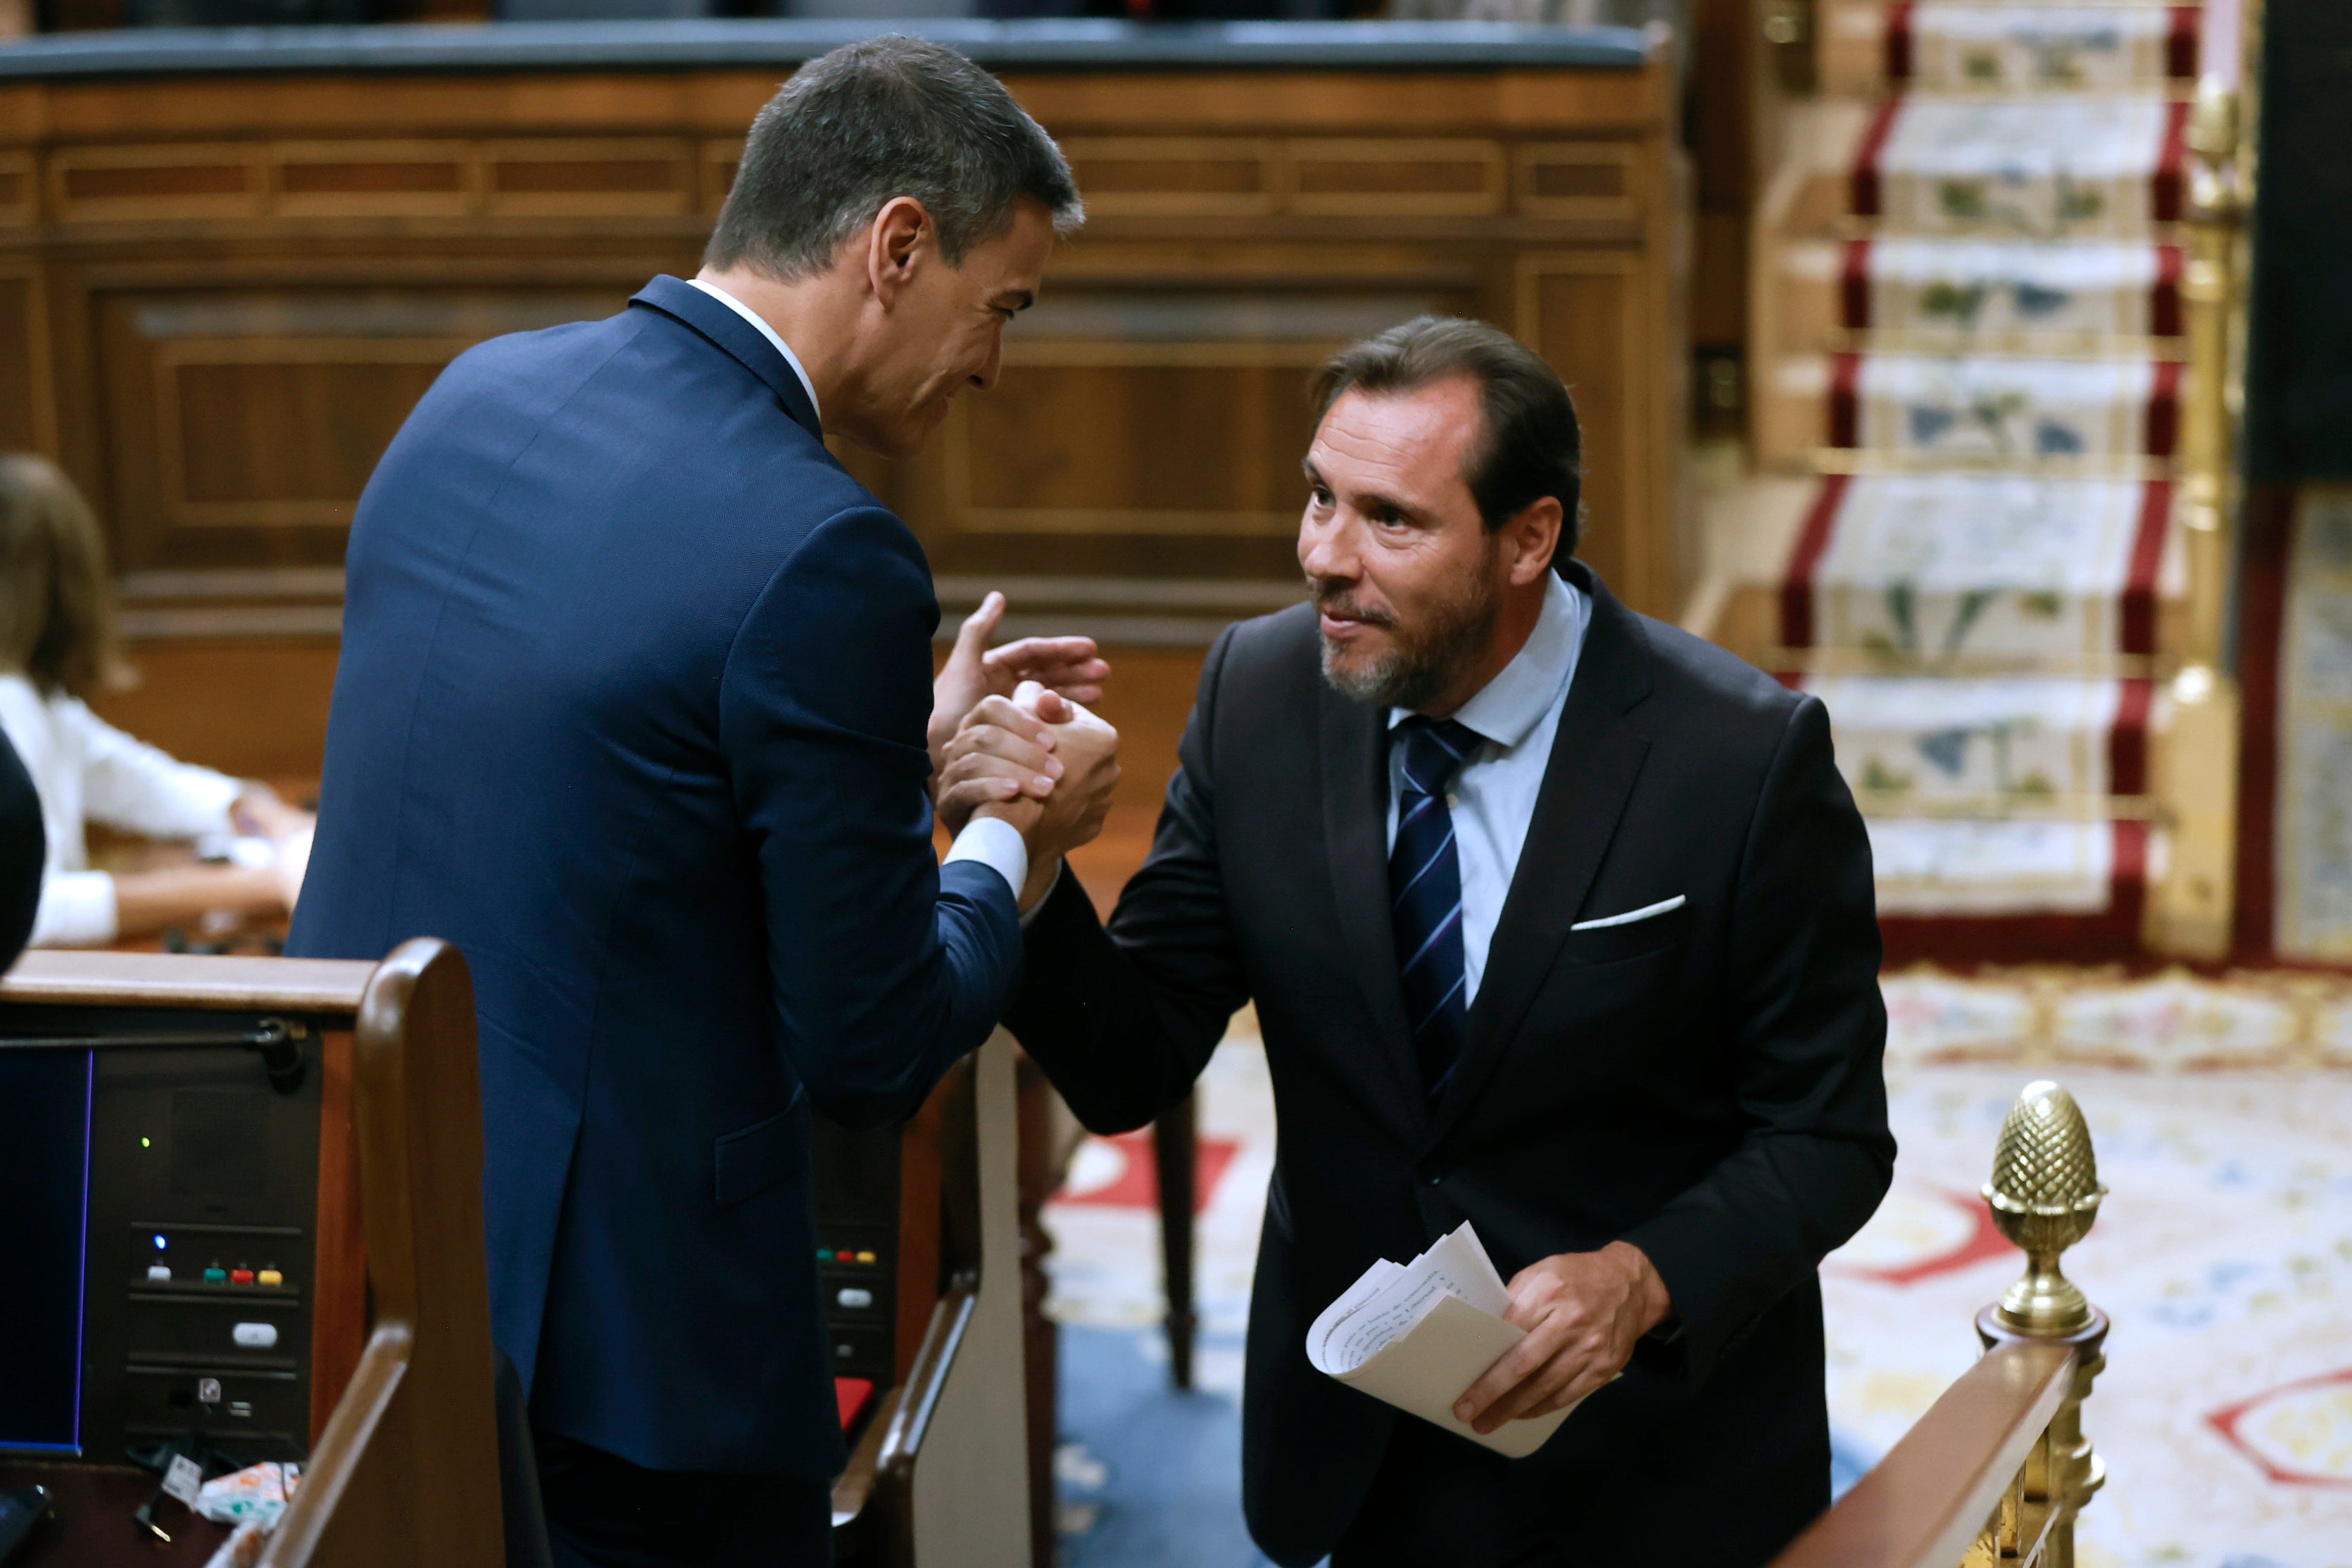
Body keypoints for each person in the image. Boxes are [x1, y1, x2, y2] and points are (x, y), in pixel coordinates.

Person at [287, 37, 1120, 1568]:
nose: (995, 364)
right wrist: (1010, 832)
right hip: (633, 1359)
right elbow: (869, 1041)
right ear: (895, 246)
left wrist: (887, 744)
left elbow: (606, 779)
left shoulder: (474, 394)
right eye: (1000, 308)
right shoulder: (825, 551)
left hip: (375, 1259)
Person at [944, 317, 1894, 1567]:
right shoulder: (1259, 695)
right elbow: (1131, 1061)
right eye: (1319, 498)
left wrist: (1640, 1276)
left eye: (1389, 519)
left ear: (1528, 538)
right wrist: (1022, 854)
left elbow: (1826, 1137)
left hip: (1648, 1468)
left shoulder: (1740, 759)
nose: (1323, 557)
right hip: (1358, 1455)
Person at [0, 453, 311, 949]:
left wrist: (258, 813)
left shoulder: (36, 698)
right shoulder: (7, 701)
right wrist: (263, 883)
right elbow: (35, 913)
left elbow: (140, 782)